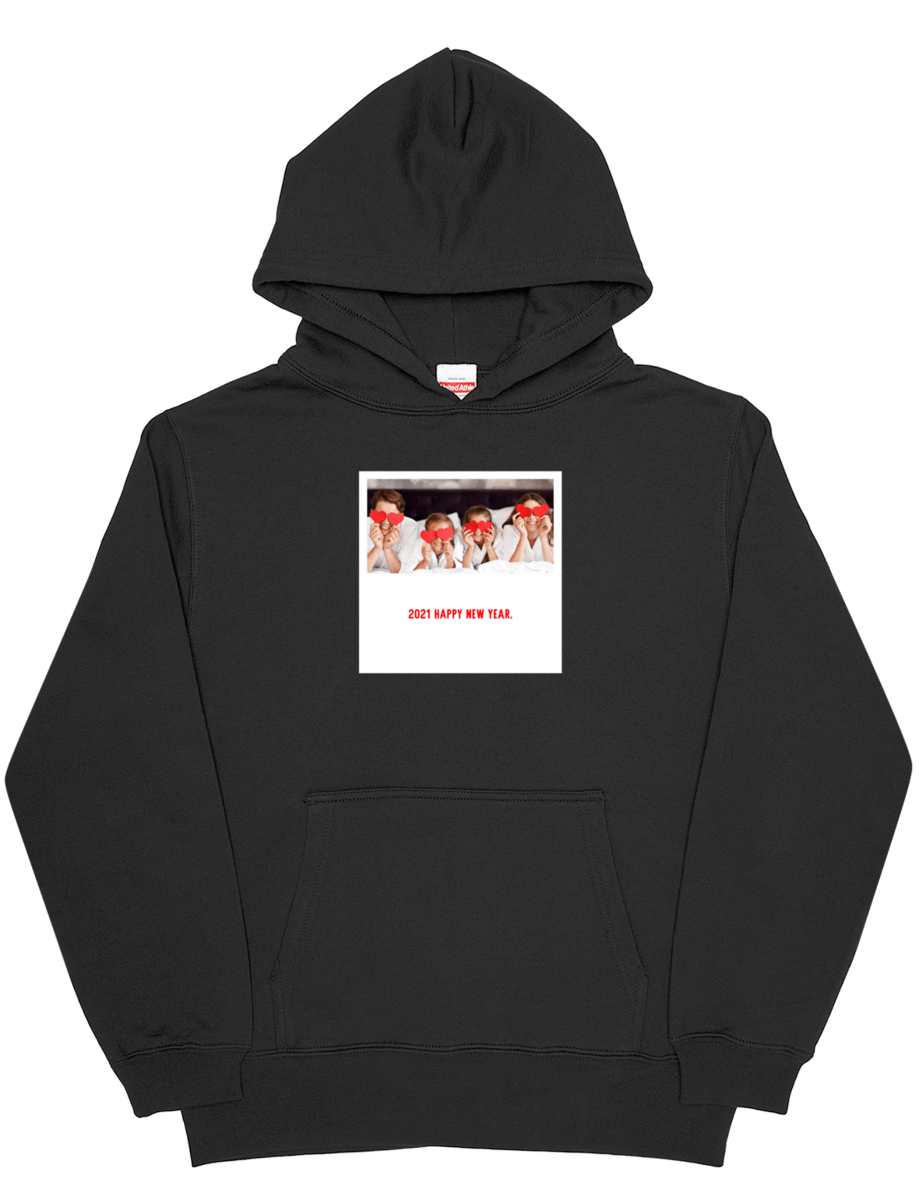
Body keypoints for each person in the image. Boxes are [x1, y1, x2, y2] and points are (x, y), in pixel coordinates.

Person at [366, 489, 415, 573]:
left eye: (391, 516)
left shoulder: (411, 528)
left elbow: (400, 572)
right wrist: (377, 547)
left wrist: (387, 549)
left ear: (401, 516)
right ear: (372, 513)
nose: (385, 522)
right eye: (381, 515)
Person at [499, 492, 555, 564]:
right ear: (519, 514)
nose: (531, 517)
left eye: (536, 512)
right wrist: (523, 535)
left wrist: (543, 536)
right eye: (526, 512)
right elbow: (511, 565)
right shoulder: (510, 529)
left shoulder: (552, 529)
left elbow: (553, 566)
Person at [459, 505, 503, 570]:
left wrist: (489, 546)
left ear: (490, 526)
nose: (477, 531)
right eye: (473, 526)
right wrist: (470, 546)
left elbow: (498, 567)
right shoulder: (460, 538)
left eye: (482, 526)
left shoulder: (498, 535)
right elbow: (464, 569)